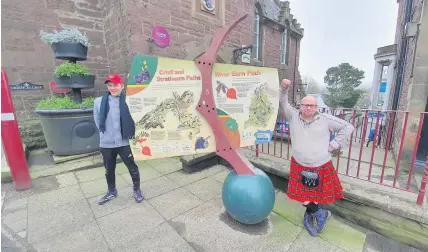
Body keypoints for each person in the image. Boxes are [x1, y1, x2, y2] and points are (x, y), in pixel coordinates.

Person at [279, 79, 354, 236]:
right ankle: (319, 213)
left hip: (321, 164)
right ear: (300, 106)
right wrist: (284, 88)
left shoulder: (325, 119)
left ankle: (311, 213)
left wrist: (333, 145)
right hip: (299, 164)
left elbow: (348, 127)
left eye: (312, 105)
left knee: (316, 195)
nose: (308, 107)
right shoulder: (293, 116)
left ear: (316, 107)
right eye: (305, 105)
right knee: (302, 196)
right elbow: (283, 102)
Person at [93, 73, 144, 205]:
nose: (113, 88)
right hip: (106, 143)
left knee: (132, 166)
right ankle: (111, 191)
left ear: (122, 86)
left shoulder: (129, 100)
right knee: (109, 169)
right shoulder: (98, 102)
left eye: (115, 85)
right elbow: (98, 122)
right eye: (110, 85)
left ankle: (137, 189)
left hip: (124, 142)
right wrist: (106, 135)